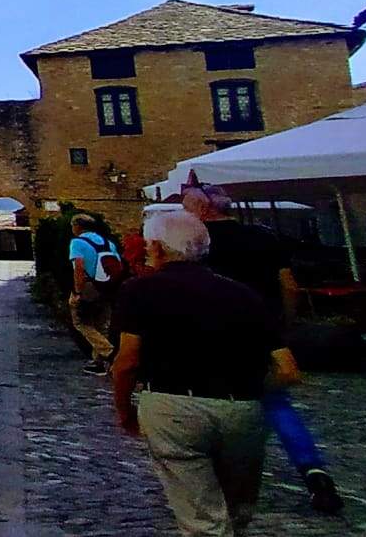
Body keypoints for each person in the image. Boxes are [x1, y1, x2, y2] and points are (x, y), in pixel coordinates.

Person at [112, 209, 300, 536]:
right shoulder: (245, 295)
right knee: (236, 511)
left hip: (173, 407)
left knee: (202, 520)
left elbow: (126, 362)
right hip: (242, 408)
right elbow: (288, 370)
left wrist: (125, 409)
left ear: (156, 247)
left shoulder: (139, 291)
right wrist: (252, 390)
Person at [182, 181, 343, 515]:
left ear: (203, 208)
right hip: (263, 333)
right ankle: (314, 471)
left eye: (187, 205)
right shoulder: (264, 237)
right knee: (278, 405)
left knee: (213, 407)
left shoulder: (196, 243)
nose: (185, 212)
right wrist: (283, 324)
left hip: (210, 338)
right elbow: (289, 284)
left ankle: (222, 483)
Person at [67, 213, 122, 375]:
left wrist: (77, 291)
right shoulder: (108, 243)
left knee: (81, 322)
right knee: (101, 324)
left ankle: (111, 353)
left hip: (88, 286)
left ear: (78, 226)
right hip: (107, 287)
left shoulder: (77, 242)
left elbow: (79, 266)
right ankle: (97, 363)